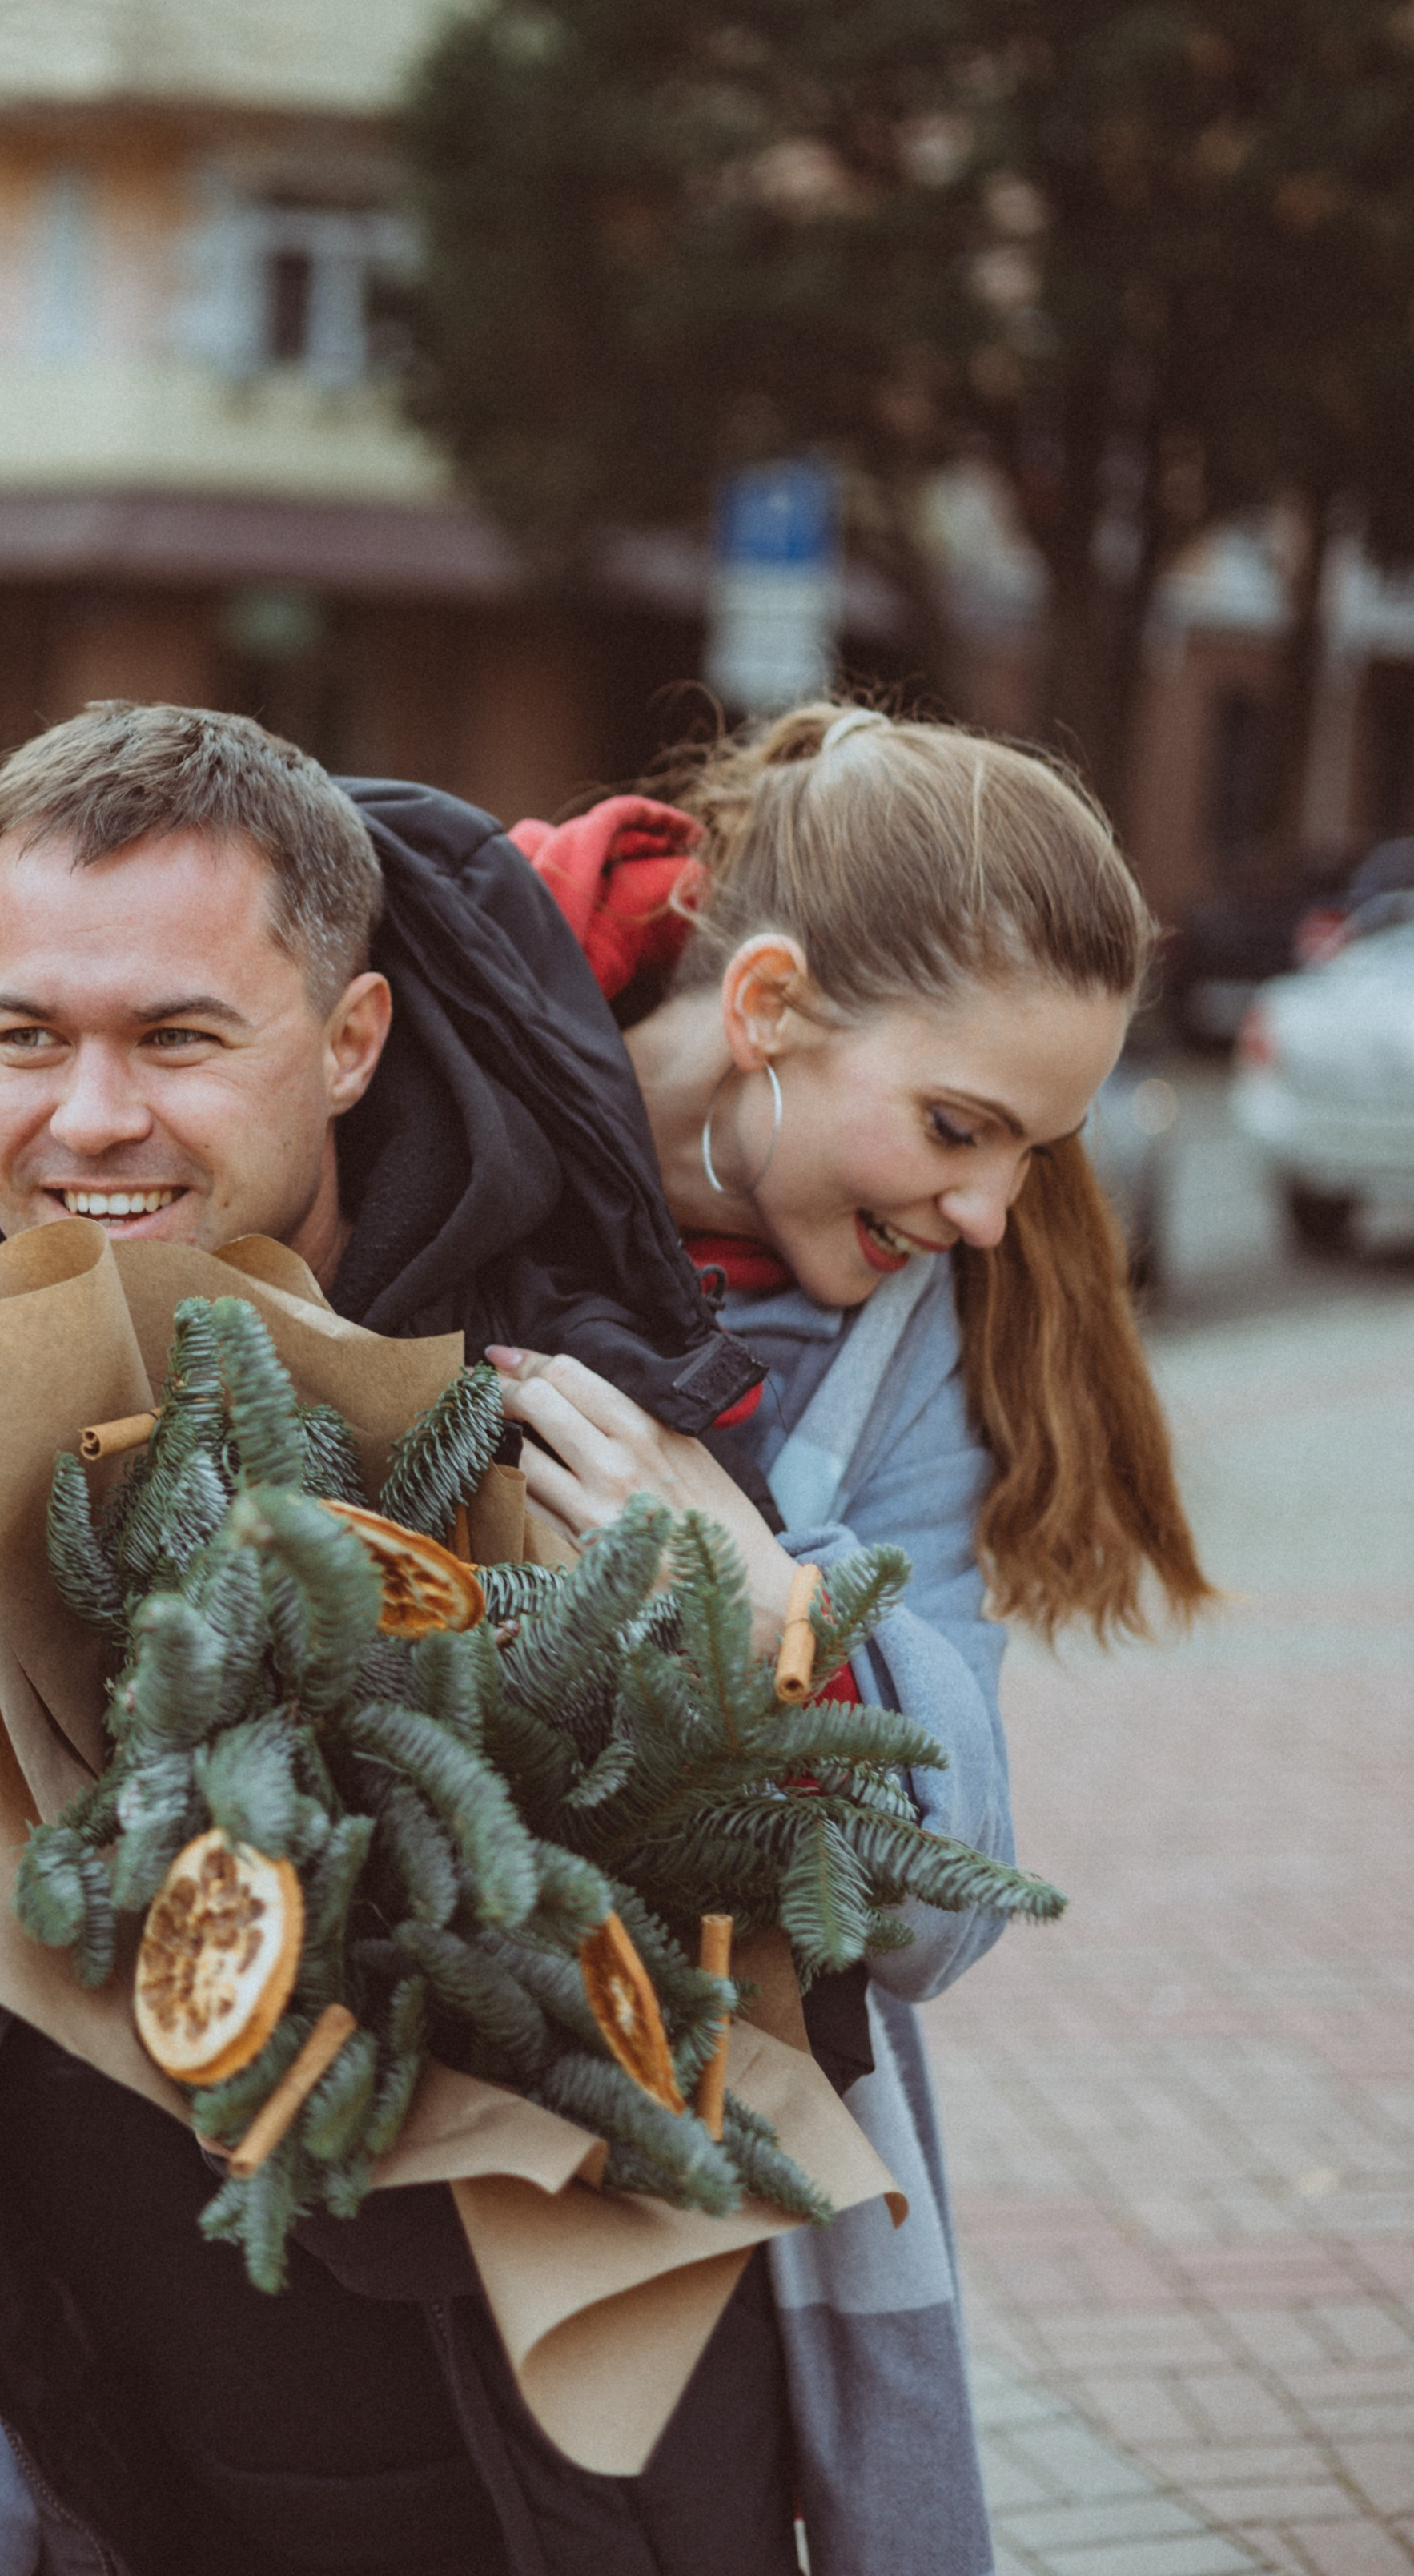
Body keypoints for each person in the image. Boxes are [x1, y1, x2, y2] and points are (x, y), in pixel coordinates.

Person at [0, 705, 773, 2574]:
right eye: (25, 1038)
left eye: (177, 1037)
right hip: (49, 2401)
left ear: (349, 1042)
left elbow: (799, 1913)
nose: (88, 1118)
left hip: (488, 2445)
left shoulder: (559, 1353)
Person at [499, 701, 1213, 2574]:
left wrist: (769, 1605)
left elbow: (942, 1907)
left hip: (673, 2181)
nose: (985, 1218)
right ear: (762, 1013)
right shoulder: (425, 1030)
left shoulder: (910, 1361)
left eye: (1028, 1157)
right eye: (956, 1130)